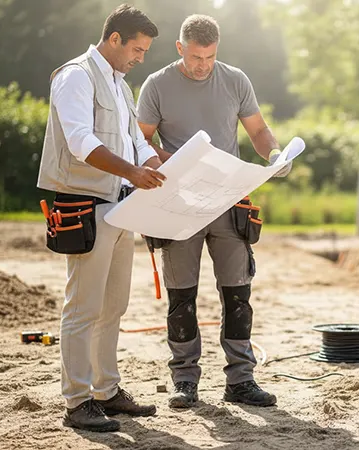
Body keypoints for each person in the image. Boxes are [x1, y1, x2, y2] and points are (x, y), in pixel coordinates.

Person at [136, 14, 289, 409]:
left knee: (238, 293)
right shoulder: (157, 85)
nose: (202, 65)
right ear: (179, 49)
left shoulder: (235, 80)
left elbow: (257, 130)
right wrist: (181, 161)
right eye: (195, 57)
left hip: (228, 202)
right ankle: (185, 380)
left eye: (210, 57)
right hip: (178, 207)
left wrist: (273, 154)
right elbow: (140, 143)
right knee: (181, 297)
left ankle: (241, 379)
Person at [36, 4, 166, 432]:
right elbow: (79, 141)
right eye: (137, 49)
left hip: (122, 206)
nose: (139, 58)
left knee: (114, 306)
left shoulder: (120, 85)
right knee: (83, 308)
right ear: (114, 39)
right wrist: (132, 171)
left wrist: (167, 166)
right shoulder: (75, 76)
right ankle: (77, 402)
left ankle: (105, 390)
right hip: (86, 206)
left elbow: (135, 144)